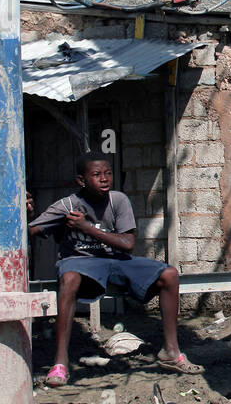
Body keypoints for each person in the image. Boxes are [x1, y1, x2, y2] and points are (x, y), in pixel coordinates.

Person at [28, 152, 198, 387]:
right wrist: (27, 214)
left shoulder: (118, 201)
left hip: (116, 260)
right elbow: (33, 231)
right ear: (81, 180)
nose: (104, 179)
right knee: (68, 279)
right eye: (96, 175)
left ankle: (170, 350)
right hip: (80, 260)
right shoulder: (68, 205)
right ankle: (60, 362)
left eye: (108, 173)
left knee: (169, 274)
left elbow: (128, 245)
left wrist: (87, 228)